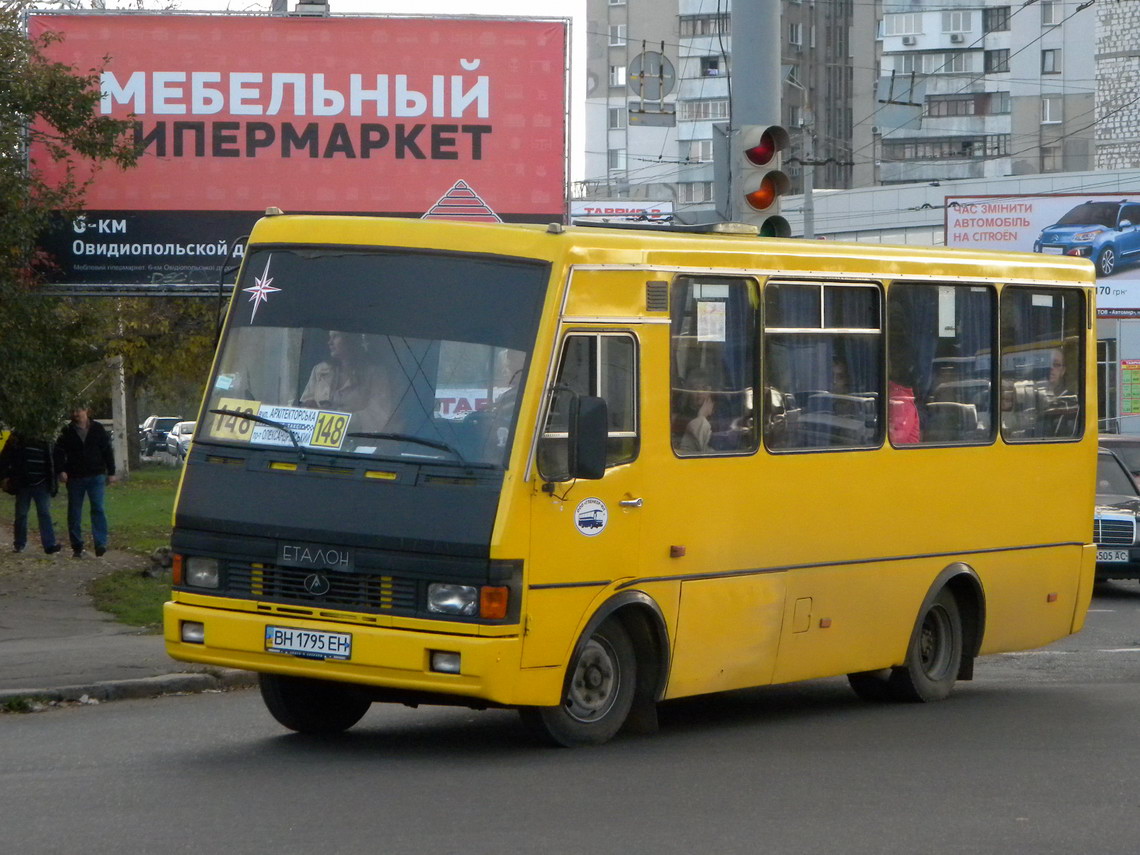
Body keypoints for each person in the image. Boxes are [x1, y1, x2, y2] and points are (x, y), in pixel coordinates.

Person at [300, 331, 396, 433]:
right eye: (329, 337)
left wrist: (338, 420)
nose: (330, 342)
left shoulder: (375, 374)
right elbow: (305, 406)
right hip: (316, 442)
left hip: (359, 441)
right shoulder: (319, 370)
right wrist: (309, 408)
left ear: (350, 340)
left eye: (336, 337)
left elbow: (378, 415)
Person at [55, 406, 117, 558]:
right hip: (75, 476)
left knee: (98, 508)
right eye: (74, 411)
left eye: (79, 410)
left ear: (87, 412)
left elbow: (107, 450)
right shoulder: (67, 431)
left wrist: (111, 472)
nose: (76, 413)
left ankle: (100, 543)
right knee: (75, 512)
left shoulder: (97, 429)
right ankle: (77, 546)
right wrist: (61, 470)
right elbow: (58, 452)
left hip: (96, 474)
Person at [0, 432, 62, 555]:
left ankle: (49, 544)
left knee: (44, 512)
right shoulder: (17, 438)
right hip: (23, 482)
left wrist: (56, 475)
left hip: (42, 481)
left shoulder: (46, 438)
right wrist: (4, 477)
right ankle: (19, 543)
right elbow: (5, 457)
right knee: (21, 514)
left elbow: (55, 457)